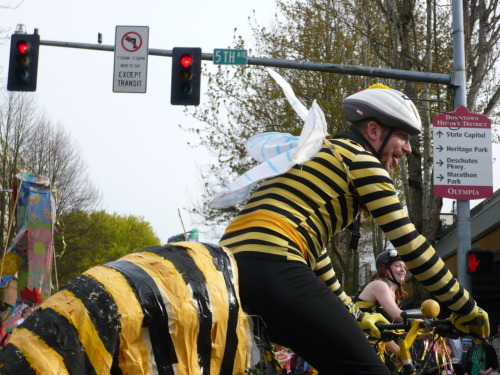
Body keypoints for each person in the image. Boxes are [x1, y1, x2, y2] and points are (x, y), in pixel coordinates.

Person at [215, 82, 489, 375]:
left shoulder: (318, 155)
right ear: (373, 131)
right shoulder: (361, 160)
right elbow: (411, 244)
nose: (408, 148)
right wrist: (465, 307)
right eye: (403, 136)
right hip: (273, 263)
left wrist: (355, 313)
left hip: (230, 267)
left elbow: (315, 253)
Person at [355, 249, 408, 355]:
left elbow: (387, 330)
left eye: (404, 266)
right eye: (398, 265)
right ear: (385, 270)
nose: (403, 270)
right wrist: (423, 320)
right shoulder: (379, 285)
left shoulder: (395, 294)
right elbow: (397, 315)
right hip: (359, 345)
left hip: (376, 346)